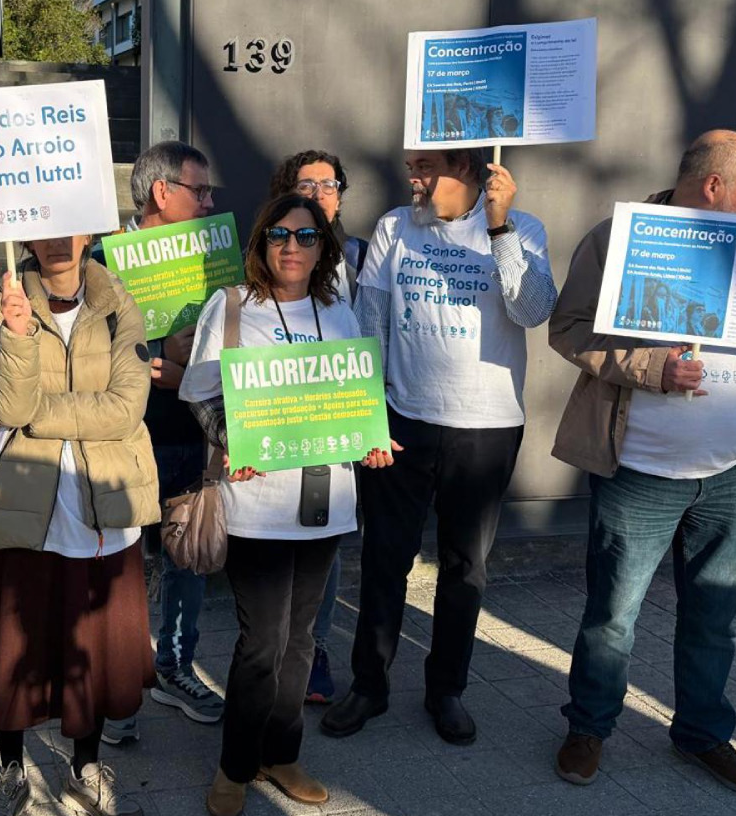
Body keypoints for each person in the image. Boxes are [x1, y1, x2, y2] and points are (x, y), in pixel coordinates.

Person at [550, 130, 736, 798]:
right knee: (613, 614)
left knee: (715, 615)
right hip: (641, 470)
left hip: (734, 470)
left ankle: (702, 734)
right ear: (715, 186)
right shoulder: (621, 239)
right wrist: (652, 367)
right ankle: (589, 728)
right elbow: (569, 329)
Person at [322, 148, 557, 745]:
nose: (413, 178)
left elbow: (532, 310)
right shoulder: (396, 227)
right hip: (403, 417)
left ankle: (445, 689)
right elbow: (369, 319)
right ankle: (369, 685)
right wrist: (367, 412)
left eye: (427, 167)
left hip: (486, 426)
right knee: (383, 560)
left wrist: (501, 228)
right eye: (412, 166)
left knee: (464, 569)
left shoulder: (522, 229)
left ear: (471, 171)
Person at [178, 193, 393, 816]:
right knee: (263, 643)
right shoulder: (233, 307)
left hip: (325, 501)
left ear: (324, 247)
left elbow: (357, 397)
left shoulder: (338, 309)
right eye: (278, 235)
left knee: (302, 641)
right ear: (261, 243)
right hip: (257, 501)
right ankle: (235, 765)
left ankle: (282, 752)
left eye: (305, 237)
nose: (291, 247)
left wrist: (374, 438)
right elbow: (198, 393)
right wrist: (231, 439)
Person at [0, 234, 158, 816]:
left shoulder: (121, 303)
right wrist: (18, 337)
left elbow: (125, 408)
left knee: (89, 646)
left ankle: (86, 766)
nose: (60, 238)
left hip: (100, 505)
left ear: (89, 231)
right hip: (18, 503)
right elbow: (5, 408)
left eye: (72, 223)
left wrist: (40, 413)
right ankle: (11, 768)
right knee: (12, 647)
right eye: (46, 222)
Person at [99, 140, 226, 746]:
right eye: (199, 191)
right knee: (118, 568)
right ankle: (118, 684)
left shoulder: (220, 262)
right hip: (120, 442)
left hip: (189, 435)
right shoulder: (100, 260)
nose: (208, 202)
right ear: (160, 192)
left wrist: (193, 374)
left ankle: (175, 668)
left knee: (187, 563)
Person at [266, 150, 368, 703]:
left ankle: (314, 649)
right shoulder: (262, 258)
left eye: (331, 183)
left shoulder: (361, 256)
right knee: (273, 552)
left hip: (336, 432)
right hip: (274, 427)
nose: (321, 192)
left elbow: (374, 339)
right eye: (308, 183)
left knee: (323, 545)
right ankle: (268, 650)